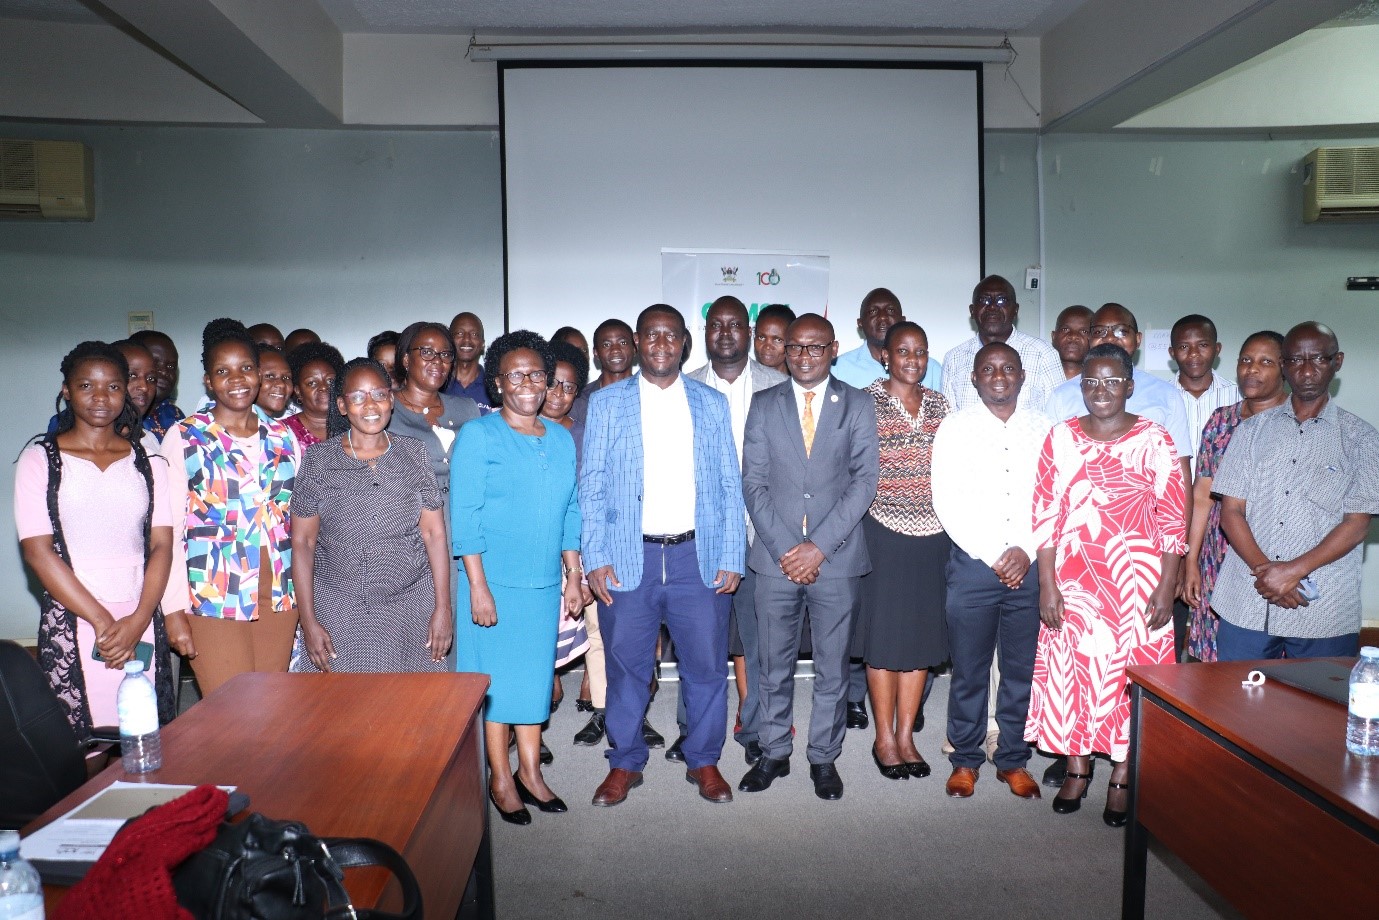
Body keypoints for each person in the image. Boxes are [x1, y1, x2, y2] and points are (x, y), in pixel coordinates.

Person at [581, 305, 746, 807]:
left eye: (670, 336)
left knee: (706, 666)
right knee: (627, 666)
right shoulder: (608, 403)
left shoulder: (710, 403)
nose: (660, 344)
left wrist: (732, 553)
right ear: (636, 341)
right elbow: (591, 486)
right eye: (650, 335)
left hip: (698, 554)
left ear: (683, 344)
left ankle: (704, 759)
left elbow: (726, 482)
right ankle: (625, 761)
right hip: (632, 557)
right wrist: (595, 557)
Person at [1025, 343, 1187, 826]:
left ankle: (1122, 773)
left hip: (1137, 581)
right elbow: (1045, 515)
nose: (1100, 390)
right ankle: (1077, 767)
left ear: (1130, 387)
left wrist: (1167, 584)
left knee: (1127, 675)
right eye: (1091, 382)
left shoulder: (1155, 438)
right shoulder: (1060, 438)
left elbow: (1174, 517)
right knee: (1074, 672)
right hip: (1074, 583)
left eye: (1112, 381)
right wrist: (1047, 584)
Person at [740, 313, 879, 802]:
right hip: (774, 561)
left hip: (836, 561)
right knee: (772, 665)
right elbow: (753, 483)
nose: (803, 356)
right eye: (795, 347)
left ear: (834, 349)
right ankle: (774, 752)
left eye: (814, 348)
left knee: (833, 668)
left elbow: (864, 482)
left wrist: (818, 547)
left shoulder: (857, 404)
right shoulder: (763, 404)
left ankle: (824, 757)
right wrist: (786, 550)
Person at [15, 341, 183, 738]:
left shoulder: (148, 460)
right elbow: (38, 553)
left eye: (112, 387)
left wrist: (138, 621)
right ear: (66, 390)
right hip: (77, 618)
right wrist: (105, 623)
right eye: (86, 385)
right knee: (84, 744)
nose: (100, 397)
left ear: (126, 392)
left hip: (140, 613)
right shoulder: (40, 459)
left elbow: (162, 545)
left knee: (146, 738)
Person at [453, 331, 586, 824]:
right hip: (491, 582)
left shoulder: (560, 438)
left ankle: (531, 772)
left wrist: (573, 575)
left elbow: (571, 511)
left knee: (532, 681)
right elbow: (463, 518)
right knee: (497, 684)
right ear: (497, 383)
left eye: (536, 374)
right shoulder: (478, 436)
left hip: (543, 583)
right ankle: (501, 778)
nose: (528, 383)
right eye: (516, 375)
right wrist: (479, 588)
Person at [1212, 322, 1379, 661]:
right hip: (1247, 599)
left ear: (1337, 361)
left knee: (1316, 711)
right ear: (1284, 366)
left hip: (1323, 607)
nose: (1306, 370)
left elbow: (1357, 523)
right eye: (1295, 360)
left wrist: (1291, 572)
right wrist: (1268, 572)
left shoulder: (1362, 438)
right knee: (1232, 705)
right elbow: (1231, 512)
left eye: (1318, 358)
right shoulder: (1251, 431)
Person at [932, 342, 1049, 800]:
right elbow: (946, 499)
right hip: (973, 565)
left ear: (1022, 376)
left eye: (1007, 369)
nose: (998, 376)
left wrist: (1026, 550)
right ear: (974, 378)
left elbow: (1054, 497)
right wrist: (995, 554)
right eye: (988, 369)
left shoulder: (1044, 428)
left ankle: (1013, 760)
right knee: (969, 669)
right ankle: (965, 759)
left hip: (1031, 565)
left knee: (1021, 670)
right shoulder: (955, 428)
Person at [161, 319, 301, 697]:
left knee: (274, 708)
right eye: (222, 371)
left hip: (278, 593)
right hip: (212, 592)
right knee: (231, 715)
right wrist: (172, 610)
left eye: (246, 368)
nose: (236, 379)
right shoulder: (186, 437)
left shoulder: (284, 436)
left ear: (258, 374)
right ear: (208, 381)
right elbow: (168, 532)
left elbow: (298, 521)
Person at [290, 357, 453, 674]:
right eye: (357, 396)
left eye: (379, 394)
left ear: (391, 399)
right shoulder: (319, 460)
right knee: (343, 712)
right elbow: (303, 543)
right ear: (341, 405)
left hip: (410, 606)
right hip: (340, 607)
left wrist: (442, 608)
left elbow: (434, 535)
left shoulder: (414, 453)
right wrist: (308, 621)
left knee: (414, 710)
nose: (370, 405)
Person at [682, 295, 787, 765]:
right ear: (704, 335)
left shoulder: (780, 384)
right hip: (700, 537)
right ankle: (692, 730)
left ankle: (758, 731)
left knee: (763, 642)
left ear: (749, 331)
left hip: (761, 536)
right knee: (698, 642)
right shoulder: (682, 389)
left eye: (734, 325)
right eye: (715, 325)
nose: (725, 333)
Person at [854, 322, 950, 781]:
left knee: (918, 642)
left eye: (921, 351)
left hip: (933, 537)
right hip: (882, 534)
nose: (913, 359)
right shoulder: (863, 402)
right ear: (885, 356)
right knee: (883, 641)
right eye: (903, 351)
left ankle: (907, 735)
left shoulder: (940, 404)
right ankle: (883, 738)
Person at [1181, 332, 1288, 663]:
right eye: (1245, 361)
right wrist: (1192, 560)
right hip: (1219, 553)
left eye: (1265, 362)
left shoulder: (1297, 422)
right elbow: (1203, 496)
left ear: (1285, 368)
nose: (1251, 370)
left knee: (1270, 659)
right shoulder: (1221, 421)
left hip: (1275, 551)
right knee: (1213, 659)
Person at [540, 340, 589, 716]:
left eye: (569, 387)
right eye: (552, 382)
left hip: (580, 545)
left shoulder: (585, 432)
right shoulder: (517, 427)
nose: (558, 394)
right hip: (535, 546)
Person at [941, 275, 1063, 413]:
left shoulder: (1044, 354)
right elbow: (948, 417)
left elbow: (1060, 415)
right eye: (984, 300)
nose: (992, 306)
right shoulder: (954, 358)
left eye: (1001, 300)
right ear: (972, 311)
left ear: (1016, 310)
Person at [388, 321, 480, 502]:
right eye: (427, 352)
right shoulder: (385, 409)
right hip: (411, 523)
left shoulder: (468, 409)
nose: (438, 361)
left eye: (445, 354)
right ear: (406, 360)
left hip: (463, 520)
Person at [832, 287, 941, 392]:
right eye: (873, 311)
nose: (883, 317)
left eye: (890, 310)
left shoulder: (931, 369)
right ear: (860, 323)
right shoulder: (837, 369)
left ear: (902, 320)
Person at [1170, 314, 1239, 476]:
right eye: (1184, 347)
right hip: (1171, 498)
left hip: (1223, 499)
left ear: (1217, 349)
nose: (1194, 353)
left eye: (1203, 345)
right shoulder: (1159, 398)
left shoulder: (1238, 397)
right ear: (1172, 353)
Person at [568, 318, 635, 427]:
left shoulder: (648, 394)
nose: (615, 350)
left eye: (623, 342)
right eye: (606, 345)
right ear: (596, 353)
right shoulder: (579, 400)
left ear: (634, 349)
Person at [283, 342, 345, 449]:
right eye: (312, 383)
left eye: (330, 381)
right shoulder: (283, 433)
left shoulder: (354, 426)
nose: (323, 387)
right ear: (298, 391)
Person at [129, 329, 183, 441]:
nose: (164, 372)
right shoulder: (113, 419)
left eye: (171, 367)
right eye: (155, 363)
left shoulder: (175, 416)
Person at [444, 312, 491, 410]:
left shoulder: (493, 387)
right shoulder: (437, 384)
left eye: (474, 334)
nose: (466, 340)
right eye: (459, 333)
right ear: (449, 341)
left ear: (482, 344)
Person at [1051, 305, 1092, 380]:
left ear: (1093, 339)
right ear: (1053, 336)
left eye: (1084, 331)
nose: (1073, 336)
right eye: (1065, 329)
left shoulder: (1100, 383)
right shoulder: (1035, 377)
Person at [752, 304, 796, 373]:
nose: (767, 346)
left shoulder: (799, 382)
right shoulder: (744, 380)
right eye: (761, 337)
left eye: (778, 340)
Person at [255, 345, 293, 419]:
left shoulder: (280, 428)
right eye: (269, 376)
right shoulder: (235, 427)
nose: (281, 384)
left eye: (286, 377)